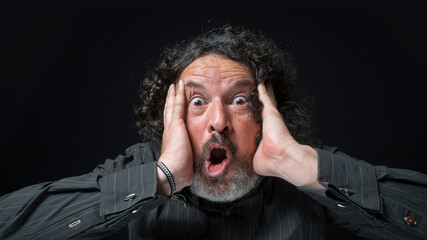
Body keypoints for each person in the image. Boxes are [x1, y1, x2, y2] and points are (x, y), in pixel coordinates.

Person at [0, 25, 426, 240]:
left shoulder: (304, 169)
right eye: (197, 102)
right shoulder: (143, 168)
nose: (218, 121)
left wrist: (301, 166)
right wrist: (161, 179)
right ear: (172, 119)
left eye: (240, 100)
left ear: (267, 116)